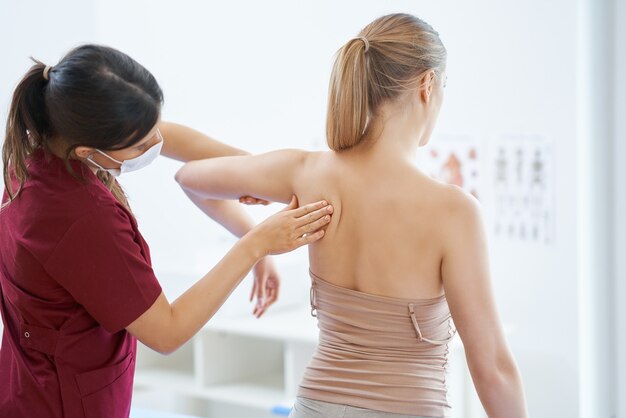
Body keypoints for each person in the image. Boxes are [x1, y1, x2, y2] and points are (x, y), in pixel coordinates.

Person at [175, 13, 528, 418]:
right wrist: (261, 245)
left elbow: (190, 178)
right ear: (428, 85)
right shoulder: (454, 212)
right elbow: (493, 370)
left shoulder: (305, 172)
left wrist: (258, 241)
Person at [0, 44, 333, 418]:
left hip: (28, 378)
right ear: (87, 150)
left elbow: (169, 138)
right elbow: (167, 333)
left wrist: (250, 171)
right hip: (60, 401)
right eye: (141, 144)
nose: (155, 145)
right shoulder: (82, 222)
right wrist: (256, 246)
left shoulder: (41, 147)